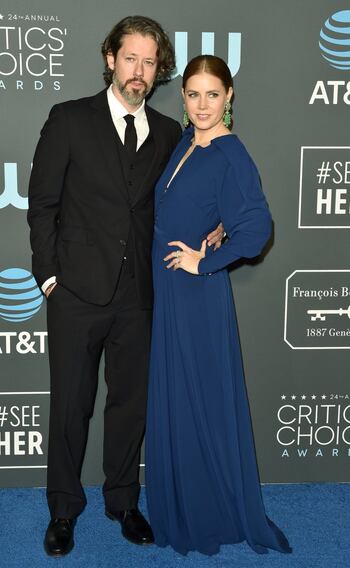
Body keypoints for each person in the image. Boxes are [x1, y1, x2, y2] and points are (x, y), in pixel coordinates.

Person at [28, 16, 224, 557]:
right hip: (75, 294)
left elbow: (197, 195)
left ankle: (123, 500)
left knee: (130, 406)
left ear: (158, 70)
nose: (139, 71)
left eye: (149, 62)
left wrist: (221, 223)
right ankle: (63, 510)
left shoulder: (168, 134)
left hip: (141, 295)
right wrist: (49, 279)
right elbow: (42, 205)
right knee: (70, 406)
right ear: (110, 59)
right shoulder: (68, 120)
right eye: (129, 58)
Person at [145, 55, 292, 556]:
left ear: (229, 96)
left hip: (195, 299)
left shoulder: (231, 152)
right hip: (168, 294)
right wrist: (220, 223)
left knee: (199, 401)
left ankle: (210, 510)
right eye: (193, 94)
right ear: (183, 99)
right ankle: (183, 500)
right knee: (179, 399)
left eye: (212, 94)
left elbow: (258, 229)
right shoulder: (187, 141)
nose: (202, 105)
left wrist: (204, 263)